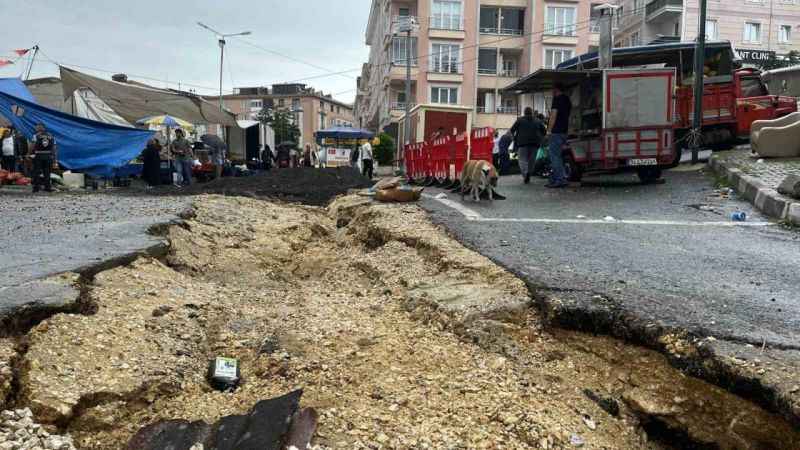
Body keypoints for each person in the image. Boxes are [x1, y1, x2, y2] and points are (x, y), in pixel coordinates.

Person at [509, 107, 544, 184]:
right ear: (531, 112)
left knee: (522, 160)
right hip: (535, 143)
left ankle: (525, 174)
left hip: (522, 143)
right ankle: (529, 173)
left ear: (524, 113)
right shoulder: (538, 121)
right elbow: (544, 131)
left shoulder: (520, 120)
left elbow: (511, 130)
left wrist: (514, 139)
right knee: (532, 160)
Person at [547, 84, 572, 188]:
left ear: (556, 89)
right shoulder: (567, 100)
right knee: (558, 156)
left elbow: (553, 115)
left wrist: (549, 130)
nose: (552, 92)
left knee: (554, 156)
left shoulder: (557, 99)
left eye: (552, 90)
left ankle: (559, 180)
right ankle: (558, 178)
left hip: (556, 132)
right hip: (564, 131)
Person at [28, 123, 57, 193]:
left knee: (36, 172)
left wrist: (29, 153)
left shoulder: (36, 136)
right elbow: (54, 147)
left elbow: (32, 145)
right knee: (47, 172)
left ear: (41, 127)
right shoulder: (51, 136)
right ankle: (48, 187)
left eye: (37, 127)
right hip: (48, 155)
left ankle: (36, 188)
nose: (36, 128)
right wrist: (54, 158)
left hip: (39, 155)